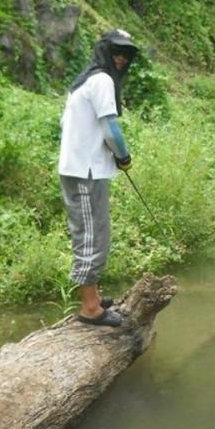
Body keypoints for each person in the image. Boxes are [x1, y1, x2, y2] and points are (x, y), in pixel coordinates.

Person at [58, 28, 138, 326]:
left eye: (127, 54)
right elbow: (109, 128)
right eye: (116, 52)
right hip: (85, 171)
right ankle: (90, 309)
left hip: (80, 168)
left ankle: (93, 296)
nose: (121, 58)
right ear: (104, 50)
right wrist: (123, 156)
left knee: (93, 232)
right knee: (92, 236)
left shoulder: (84, 80)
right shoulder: (102, 80)